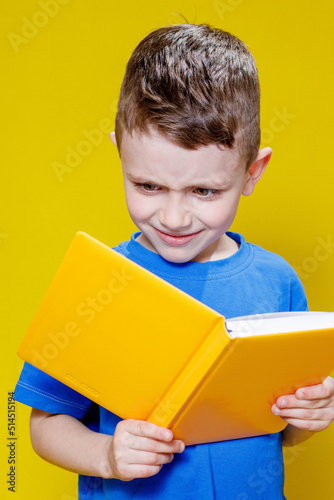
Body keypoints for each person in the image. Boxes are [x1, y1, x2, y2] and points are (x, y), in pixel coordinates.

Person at [14, 23, 334, 499]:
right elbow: (43, 424)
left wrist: (309, 417)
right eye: (148, 186)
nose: (174, 217)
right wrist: (106, 456)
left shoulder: (278, 282)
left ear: (252, 172)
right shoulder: (98, 284)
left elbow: (280, 430)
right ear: (119, 154)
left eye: (204, 191)